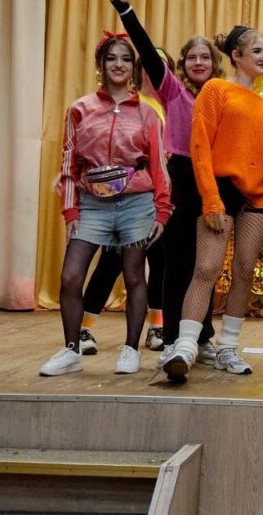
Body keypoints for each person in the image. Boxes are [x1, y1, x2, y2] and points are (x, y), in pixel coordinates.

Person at [159, 25, 263, 383]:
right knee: (206, 269)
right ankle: (185, 346)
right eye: (257, 51)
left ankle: (228, 347)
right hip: (222, 192)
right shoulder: (215, 90)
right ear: (237, 56)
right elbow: (199, 148)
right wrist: (211, 199)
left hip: (256, 198)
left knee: (244, 271)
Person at [40, 32, 172, 376]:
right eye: (112, 58)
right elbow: (69, 164)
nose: (119, 64)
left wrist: (162, 210)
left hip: (136, 203)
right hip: (92, 205)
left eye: (126, 59)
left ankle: (131, 350)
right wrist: (70, 209)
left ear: (133, 67)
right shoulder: (79, 109)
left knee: (134, 276)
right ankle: (71, 351)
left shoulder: (147, 113)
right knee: (70, 276)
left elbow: (158, 166)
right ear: (101, 64)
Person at [109, 0, 222, 367]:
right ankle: (174, 337)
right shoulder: (173, 92)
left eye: (205, 57)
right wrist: (126, 12)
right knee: (178, 263)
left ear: (214, 63)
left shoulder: (223, 95)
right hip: (181, 178)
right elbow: (145, 50)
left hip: (213, 181)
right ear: (183, 63)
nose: (198, 62)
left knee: (207, 265)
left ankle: (201, 336)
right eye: (191, 57)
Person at [78, 47, 173, 355]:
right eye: (148, 65)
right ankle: (84, 327)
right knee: (112, 262)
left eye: (160, 66)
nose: (153, 71)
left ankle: (157, 326)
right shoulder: (130, 105)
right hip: (125, 197)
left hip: (161, 195)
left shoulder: (172, 105)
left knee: (160, 262)